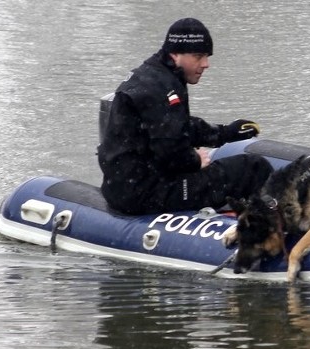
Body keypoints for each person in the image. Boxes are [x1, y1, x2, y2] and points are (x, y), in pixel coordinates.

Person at [97, 18, 272, 215]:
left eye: (207, 56)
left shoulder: (152, 76)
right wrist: (195, 161)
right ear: (175, 53)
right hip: (148, 195)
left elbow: (175, 127)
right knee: (254, 168)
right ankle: (269, 230)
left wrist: (225, 132)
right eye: (198, 56)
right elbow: (171, 152)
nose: (206, 64)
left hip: (122, 189)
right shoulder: (164, 89)